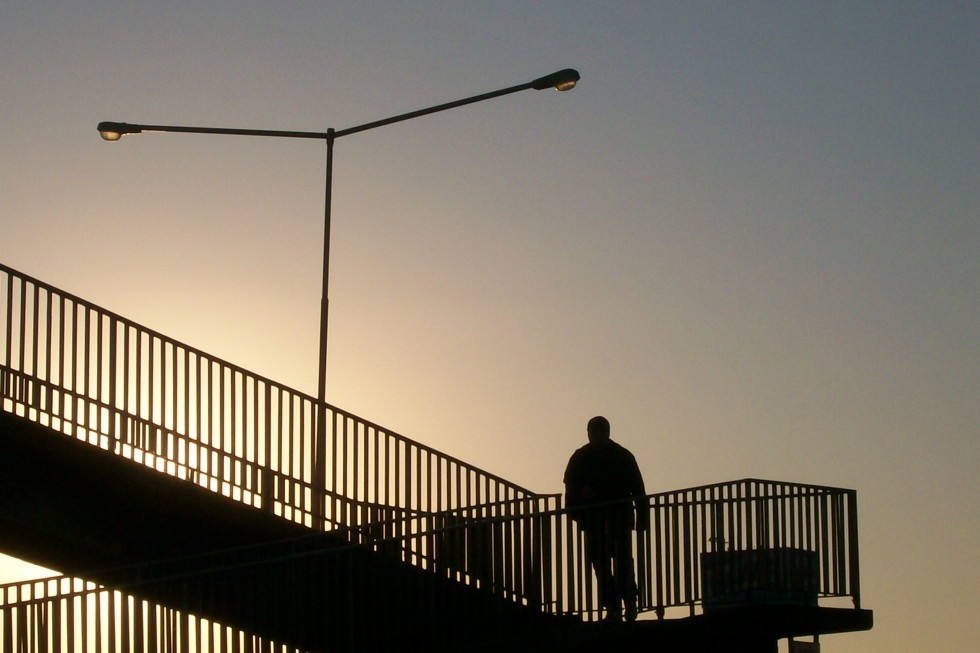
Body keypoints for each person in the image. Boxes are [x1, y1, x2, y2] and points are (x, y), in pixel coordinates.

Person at [563, 415, 648, 622]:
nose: (596, 435)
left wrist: (577, 512)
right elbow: (638, 489)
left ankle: (622, 606)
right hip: (605, 519)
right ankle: (619, 606)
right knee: (609, 564)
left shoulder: (583, 457)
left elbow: (638, 489)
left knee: (615, 563)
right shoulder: (620, 455)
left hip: (603, 519)